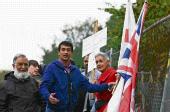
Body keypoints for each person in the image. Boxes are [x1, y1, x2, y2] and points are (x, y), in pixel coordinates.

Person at [39, 41, 113, 112]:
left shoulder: (75, 71)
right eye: (63, 49)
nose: (65, 52)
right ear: (59, 52)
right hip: (53, 110)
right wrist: (48, 96)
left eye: (68, 50)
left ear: (71, 53)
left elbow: (89, 87)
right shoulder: (52, 68)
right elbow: (43, 86)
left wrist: (107, 86)